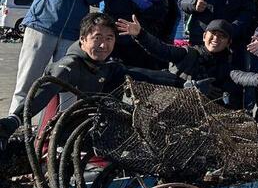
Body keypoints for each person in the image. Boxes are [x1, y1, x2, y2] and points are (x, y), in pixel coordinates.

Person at [4, 12, 175, 131]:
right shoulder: (68, 65)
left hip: (95, 130)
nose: (103, 45)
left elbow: (145, 75)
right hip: (60, 139)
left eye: (109, 39)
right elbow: (44, 91)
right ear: (82, 40)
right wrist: (15, 119)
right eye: (97, 38)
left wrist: (182, 83)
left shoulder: (107, 66)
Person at [8, 0, 112, 120]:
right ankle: (13, 130)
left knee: (68, 87)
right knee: (27, 84)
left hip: (72, 34)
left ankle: (61, 136)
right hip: (42, 24)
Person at [116, 16, 242, 107]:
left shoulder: (229, 65)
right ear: (204, 36)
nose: (216, 38)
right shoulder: (188, 53)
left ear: (229, 42)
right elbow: (161, 49)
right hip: (170, 107)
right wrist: (140, 34)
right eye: (213, 33)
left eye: (222, 36)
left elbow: (239, 88)